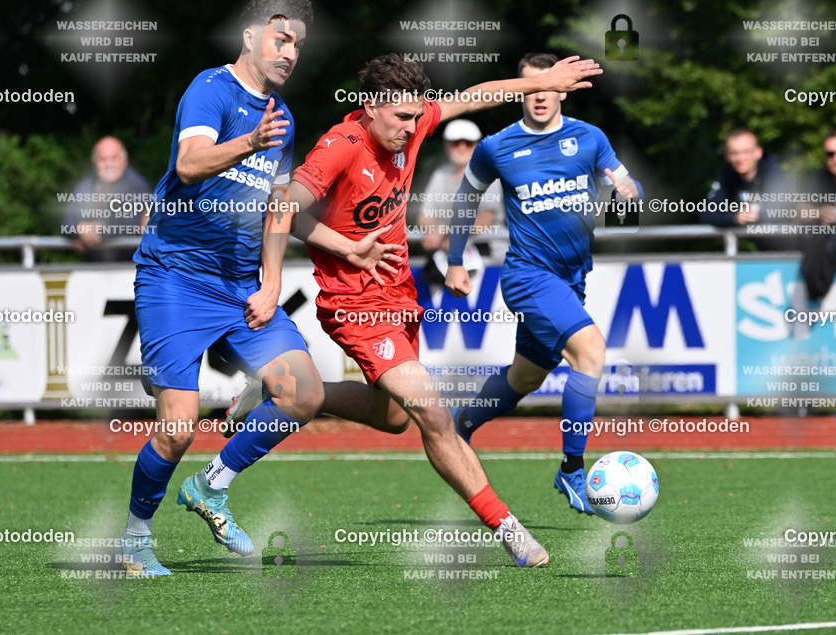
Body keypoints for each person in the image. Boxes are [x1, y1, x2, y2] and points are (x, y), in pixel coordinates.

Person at [255, 52, 603, 567]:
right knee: (434, 413)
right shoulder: (341, 145)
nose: (412, 127)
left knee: (392, 416)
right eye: (401, 118)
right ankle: (507, 528)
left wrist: (545, 81)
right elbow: (283, 204)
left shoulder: (413, 123)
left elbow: (475, 95)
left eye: (418, 117)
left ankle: (289, 392)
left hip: (397, 294)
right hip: (353, 302)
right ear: (370, 107)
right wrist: (279, 281)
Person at [118, 0, 323, 577]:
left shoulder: (282, 116)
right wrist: (249, 143)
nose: (290, 54)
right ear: (250, 36)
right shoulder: (210, 88)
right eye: (282, 40)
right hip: (176, 280)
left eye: (298, 46)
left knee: (304, 393)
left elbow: (278, 205)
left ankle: (211, 486)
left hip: (240, 287)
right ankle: (135, 537)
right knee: (178, 427)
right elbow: (189, 163)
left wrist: (272, 281)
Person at [440, 52, 644, 515]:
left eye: (549, 86)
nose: (540, 95)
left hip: (572, 280)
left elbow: (628, 194)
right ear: (521, 91)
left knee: (525, 377)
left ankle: (459, 424)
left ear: (564, 88)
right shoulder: (496, 146)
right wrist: (455, 260)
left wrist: (629, 198)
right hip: (527, 276)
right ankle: (572, 469)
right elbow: (464, 200)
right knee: (591, 352)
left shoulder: (590, 139)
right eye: (531, 87)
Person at [417, 119, 506, 260]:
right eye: (455, 143)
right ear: (446, 144)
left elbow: (484, 220)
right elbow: (424, 218)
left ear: (478, 145)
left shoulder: (487, 173)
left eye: (468, 143)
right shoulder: (440, 174)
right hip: (450, 255)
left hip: (489, 259)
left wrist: (445, 229)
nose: (462, 148)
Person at [61, 136, 152, 261]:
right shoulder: (85, 186)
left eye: (113, 158)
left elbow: (132, 223)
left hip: (129, 268)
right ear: (95, 163)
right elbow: (66, 221)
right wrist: (78, 229)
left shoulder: (137, 186)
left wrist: (95, 231)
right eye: (102, 159)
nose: (108, 164)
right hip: (94, 269)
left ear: (124, 160)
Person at [700, 128, 793, 230]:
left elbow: (783, 211)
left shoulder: (773, 173)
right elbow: (707, 215)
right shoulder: (727, 175)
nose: (740, 158)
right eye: (734, 153)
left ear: (758, 152)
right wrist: (734, 219)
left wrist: (755, 217)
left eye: (746, 152)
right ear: (726, 156)